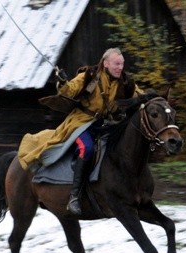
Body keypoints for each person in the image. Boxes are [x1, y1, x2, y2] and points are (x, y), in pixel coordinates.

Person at [18, 48, 143, 215]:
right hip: (81, 124)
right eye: (116, 64)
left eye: (122, 64)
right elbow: (69, 90)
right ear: (106, 64)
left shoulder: (125, 82)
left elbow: (140, 95)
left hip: (106, 124)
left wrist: (153, 100)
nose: (120, 67)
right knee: (87, 148)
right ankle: (74, 196)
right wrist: (63, 83)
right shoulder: (89, 76)